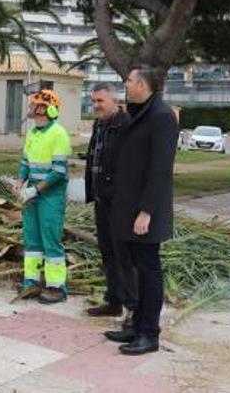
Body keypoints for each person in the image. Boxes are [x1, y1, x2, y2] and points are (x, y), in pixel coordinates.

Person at [104, 67, 178, 356]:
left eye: (130, 80)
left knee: (148, 271)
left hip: (146, 212)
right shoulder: (139, 113)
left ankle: (150, 333)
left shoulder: (161, 117)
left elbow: (160, 170)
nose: (126, 84)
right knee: (134, 269)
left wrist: (146, 211)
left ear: (144, 85)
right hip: (129, 208)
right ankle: (136, 325)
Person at [84, 83, 137, 322]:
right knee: (107, 252)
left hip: (119, 203)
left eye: (100, 101)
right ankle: (113, 301)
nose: (95, 105)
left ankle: (132, 308)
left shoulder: (125, 125)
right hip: (101, 199)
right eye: (94, 101)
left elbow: (131, 167)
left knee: (124, 256)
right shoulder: (100, 125)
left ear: (115, 101)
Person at [17, 89, 72, 304]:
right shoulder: (32, 132)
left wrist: (35, 189)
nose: (31, 109)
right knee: (32, 239)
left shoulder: (59, 134)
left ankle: (56, 287)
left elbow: (58, 172)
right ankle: (31, 281)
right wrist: (21, 181)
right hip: (32, 192)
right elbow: (25, 162)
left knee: (50, 241)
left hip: (51, 196)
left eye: (36, 105)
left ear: (49, 109)